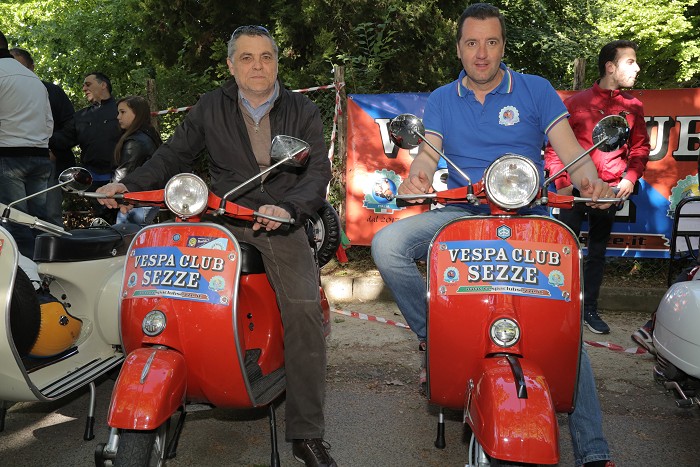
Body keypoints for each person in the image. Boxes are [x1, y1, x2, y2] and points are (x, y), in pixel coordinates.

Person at [371, 4, 617, 467]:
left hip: (530, 218)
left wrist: (592, 184)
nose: (481, 53)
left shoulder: (534, 89)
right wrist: (416, 177)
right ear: (459, 49)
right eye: (471, 43)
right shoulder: (442, 98)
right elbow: (428, 155)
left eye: (490, 42)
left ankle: (594, 449)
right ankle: (434, 335)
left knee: (562, 321)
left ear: (503, 46)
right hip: (462, 213)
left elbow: (571, 152)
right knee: (388, 245)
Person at [96, 25, 337, 467]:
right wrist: (127, 185)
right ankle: (183, 371)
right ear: (230, 65)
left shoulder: (301, 108)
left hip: (280, 219)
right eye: (246, 57)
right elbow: (172, 155)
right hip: (222, 215)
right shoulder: (211, 105)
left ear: (276, 62)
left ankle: (306, 432)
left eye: (266, 56)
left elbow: (318, 172)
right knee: (167, 279)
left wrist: (289, 209)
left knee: (303, 310)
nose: (257, 66)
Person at [544, 40, 650, 335]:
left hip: (609, 192)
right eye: (631, 62)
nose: (637, 68)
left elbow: (640, 148)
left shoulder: (633, 106)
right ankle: (558, 306)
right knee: (563, 250)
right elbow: (554, 148)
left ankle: (588, 309)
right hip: (574, 192)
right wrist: (563, 184)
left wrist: (629, 179)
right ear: (610, 67)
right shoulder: (576, 103)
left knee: (597, 252)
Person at [0, 31, 54, 258]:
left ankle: (25, 275)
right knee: (37, 221)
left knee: (15, 222)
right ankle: (42, 269)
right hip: (39, 156)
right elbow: (48, 122)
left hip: (9, 156)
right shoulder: (33, 79)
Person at [9, 47, 75, 227]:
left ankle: (52, 245)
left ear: (32, 67)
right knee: (14, 216)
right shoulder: (5, 90)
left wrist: (50, 147)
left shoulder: (52, 91)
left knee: (49, 215)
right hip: (10, 164)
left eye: (21, 67)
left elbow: (71, 127)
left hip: (46, 163)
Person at [112, 95, 162, 226]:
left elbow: (123, 173)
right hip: (146, 200)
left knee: (126, 236)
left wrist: (112, 194)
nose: (118, 117)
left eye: (123, 112)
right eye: (118, 112)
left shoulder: (136, 141)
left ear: (137, 114)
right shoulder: (149, 133)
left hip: (135, 202)